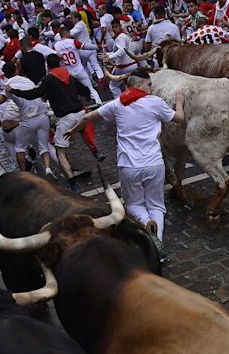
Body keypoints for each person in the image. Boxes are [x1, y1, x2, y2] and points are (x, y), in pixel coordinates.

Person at [63, 70, 185, 246]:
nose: (152, 88)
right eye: (149, 84)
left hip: (129, 165)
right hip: (154, 164)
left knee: (134, 205)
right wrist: (179, 102)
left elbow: (89, 117)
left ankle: (144, 222)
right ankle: (157, 240)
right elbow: (179, 118)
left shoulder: (117, 104)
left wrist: (74, 130)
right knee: (157, 206)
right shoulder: (156, 103)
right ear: (138, 86)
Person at [6, 54, 105, 191]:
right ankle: (96, 152)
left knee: (60, 152)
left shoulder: (48, 79)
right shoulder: (68, 74)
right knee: (82, 131)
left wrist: (13, 91)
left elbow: (33, 94)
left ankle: (72, 182)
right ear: (59, 63)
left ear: (48, 65)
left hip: (65, 118)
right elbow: (84, 90)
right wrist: (87, 97)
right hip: (80, 113)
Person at [0, 62, 55, 176]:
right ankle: (48, 169)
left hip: (28, 120)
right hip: (43, 117)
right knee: (45, 146)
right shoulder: (28, 81)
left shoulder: (8, 86)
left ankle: (25, 175)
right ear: (16, 70)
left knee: (19, 148)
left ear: (5, 75)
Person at [53, 26, 102, 104]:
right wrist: (97, 47)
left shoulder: (56, 46)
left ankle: (80, 109)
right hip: (79, 70)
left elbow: (55, 57)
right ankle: (99, 103)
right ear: (67, 33)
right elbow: (85, 46)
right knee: (90, 89)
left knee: (73, 93)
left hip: (68, 73)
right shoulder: (72, 41)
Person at [103, 19, 138, 98]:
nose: (114, 29)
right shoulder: (123, 36)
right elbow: (117, 51)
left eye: (116, 27)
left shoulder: (121, 37)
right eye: (113, 27)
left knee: (113, 86)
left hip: (125, 68)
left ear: (120, 26)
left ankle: (121, 104)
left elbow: (121, 52)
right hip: (131, 66)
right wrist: (107, 54)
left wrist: (108, 57)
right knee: (131, 87)